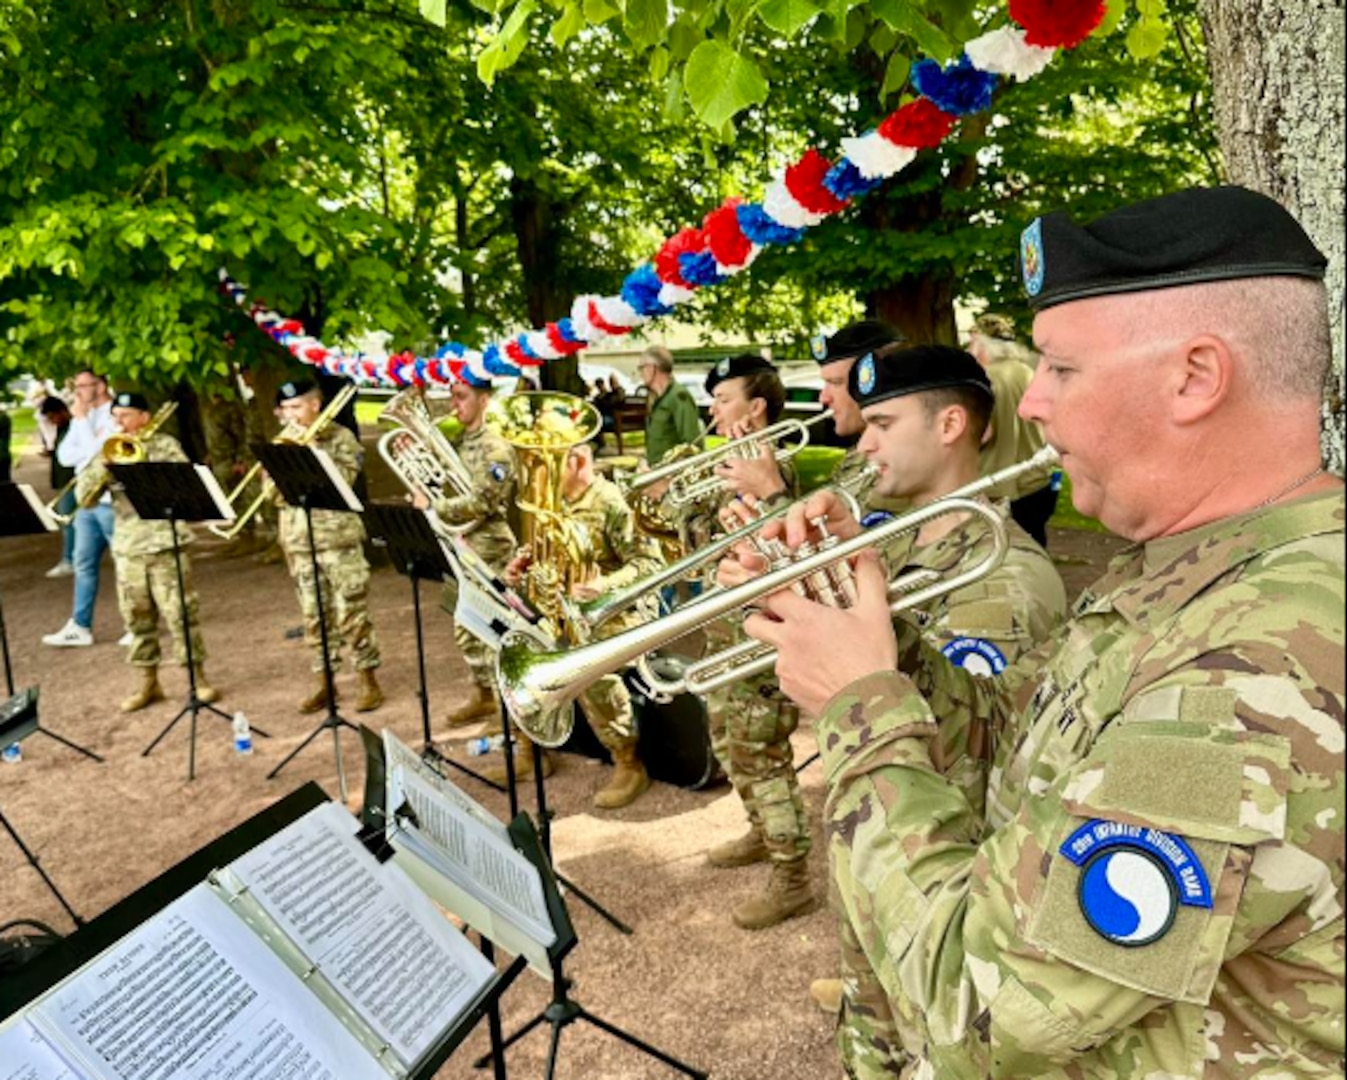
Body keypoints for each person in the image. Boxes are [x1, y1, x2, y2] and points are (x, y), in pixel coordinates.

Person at [738, 186, 1343, 1076]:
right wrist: (872, 636)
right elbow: (1013, 753)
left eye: (1061, 369)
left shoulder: (1251, 672)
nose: (1029, 405)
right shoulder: (1197, 573)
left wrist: (860, 709)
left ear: (1195, 377)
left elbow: (981, 1018)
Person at [793, 343, 1069, 1064]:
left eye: (881, 422)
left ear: (949, 425)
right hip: (887, 852)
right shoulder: (903, 543)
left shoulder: (998, 580)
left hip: (941, 886)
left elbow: (972, 766)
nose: (861, 439)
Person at [670, 354, 815, 930]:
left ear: (756, 407)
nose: (712, 407)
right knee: (729, 743)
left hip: (765, 629)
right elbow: (700, 544)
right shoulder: (731, 463)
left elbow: (783, 545)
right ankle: (763, 832)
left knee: (760, 751)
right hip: (728, 626)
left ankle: (793, 876)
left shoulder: (774, 468)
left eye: (723, 397)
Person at [75, 393, 219, 711]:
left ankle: (198, 678)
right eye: (116, 417)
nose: (119, 423)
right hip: (128, 547)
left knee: (181, 615)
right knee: (136, 619)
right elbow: (83, 497)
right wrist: (104, 466)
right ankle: (148, 682)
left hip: (166, 543)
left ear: (145, 417)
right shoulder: (108, 449)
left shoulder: (165, 445)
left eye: (126, 416)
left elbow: (184, 486)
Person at [549, 438, 662, 807]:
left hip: (622, 611)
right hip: (576, 608)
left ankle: (629, 761)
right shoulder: (556, 502)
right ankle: (533, 746)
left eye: (551, 463)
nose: (542, 474)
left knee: (588, 663)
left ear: (579, 459)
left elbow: (651, 565)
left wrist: (604, 585)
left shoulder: (612, 501)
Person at [411, 375, 519, 731]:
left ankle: (511, 715)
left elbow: (484, 501)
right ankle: (484, 695)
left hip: (491, 552)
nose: (454, 404)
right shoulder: (458, 443)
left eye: (461, 397)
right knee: (465, 628)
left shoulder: (496, 448)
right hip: (462, 548)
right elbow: (445, 485)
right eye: (452, 396)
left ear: (484, 400)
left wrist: (435, 506)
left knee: (493, 633)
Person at [272, 379, 384, 713]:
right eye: (286, 409)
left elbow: (344, 482)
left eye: (297, 407)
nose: (291, 415)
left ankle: (368, 678)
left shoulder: (341, 438)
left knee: (352, 612)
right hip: (301, 542)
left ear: (315, 405)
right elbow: (271, 495)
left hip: (339, 540)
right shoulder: (281, 443)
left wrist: (314, 455)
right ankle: (326, 683)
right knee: (314, 616)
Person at [967, 312, 1060, 546]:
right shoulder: (1029, 372)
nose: (968, 349)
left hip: (999, 486)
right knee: (1035, 547)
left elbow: (983, 434)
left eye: (971, 342)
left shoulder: (982, 379)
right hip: (1037, 480)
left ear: (982, 344)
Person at [42, 368, 115, 647]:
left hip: (110, 500)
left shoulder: (114, 413)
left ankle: (139, 622)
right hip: (87, 500)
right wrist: (84, 428)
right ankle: (80, 624)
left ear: (101, 384)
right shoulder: (82, 418)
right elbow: (65, 456)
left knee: (126, 563)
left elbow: (99, 452)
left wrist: (83, 423)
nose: (80, 392)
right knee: (83, 563)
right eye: (77, 387)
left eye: (85, 385)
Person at [638, 345, 702, 466]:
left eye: (642, 368)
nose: (640, 373)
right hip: (657, 471)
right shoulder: (657, 398)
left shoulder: (678, 396)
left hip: (672, 475)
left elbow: (692, 442)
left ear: (652, 368)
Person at [39, 396, 76, 577]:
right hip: (63, 480)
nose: (52, 421)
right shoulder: (63, 428)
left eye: (53, 416)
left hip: (70, 480)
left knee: (67, 522)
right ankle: (71, 558)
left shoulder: (73, 427)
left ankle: (69, 559)